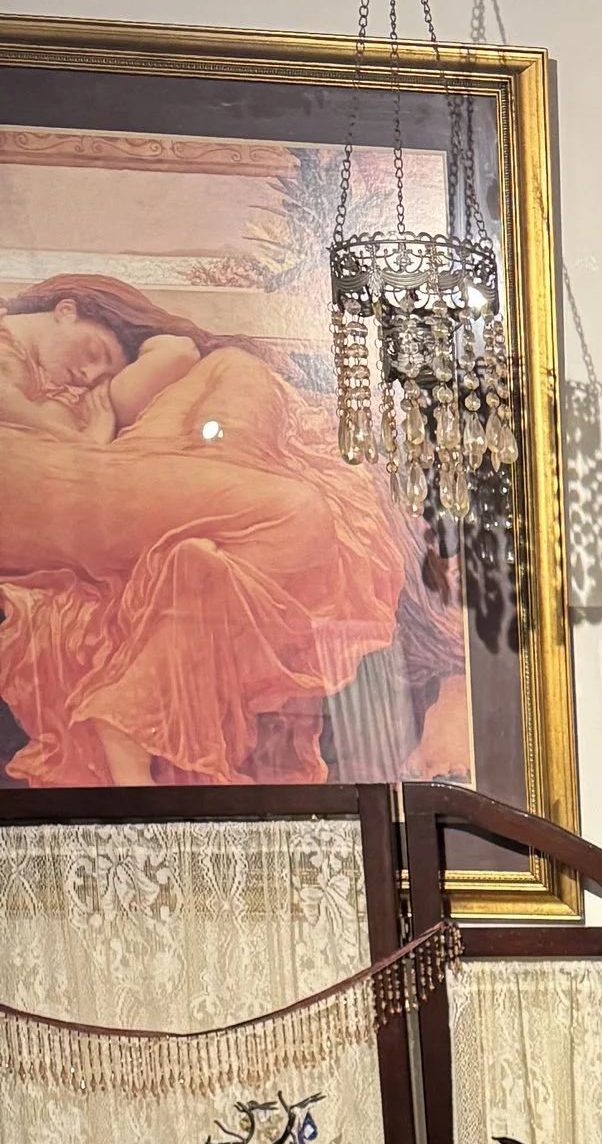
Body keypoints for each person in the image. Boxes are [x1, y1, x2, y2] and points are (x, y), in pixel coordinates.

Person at [0, 273, 422, 788]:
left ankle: (132, 711)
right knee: (293, 512)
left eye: (99, 371)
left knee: (231, 376)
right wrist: (95, 422)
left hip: (63, 482)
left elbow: (172, 357)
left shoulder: (54, 378)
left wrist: (158, 355)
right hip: (31, 484)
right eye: (93, 352)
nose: (87, 374)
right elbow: (72, 431)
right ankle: (133, 708)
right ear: (68, 308)